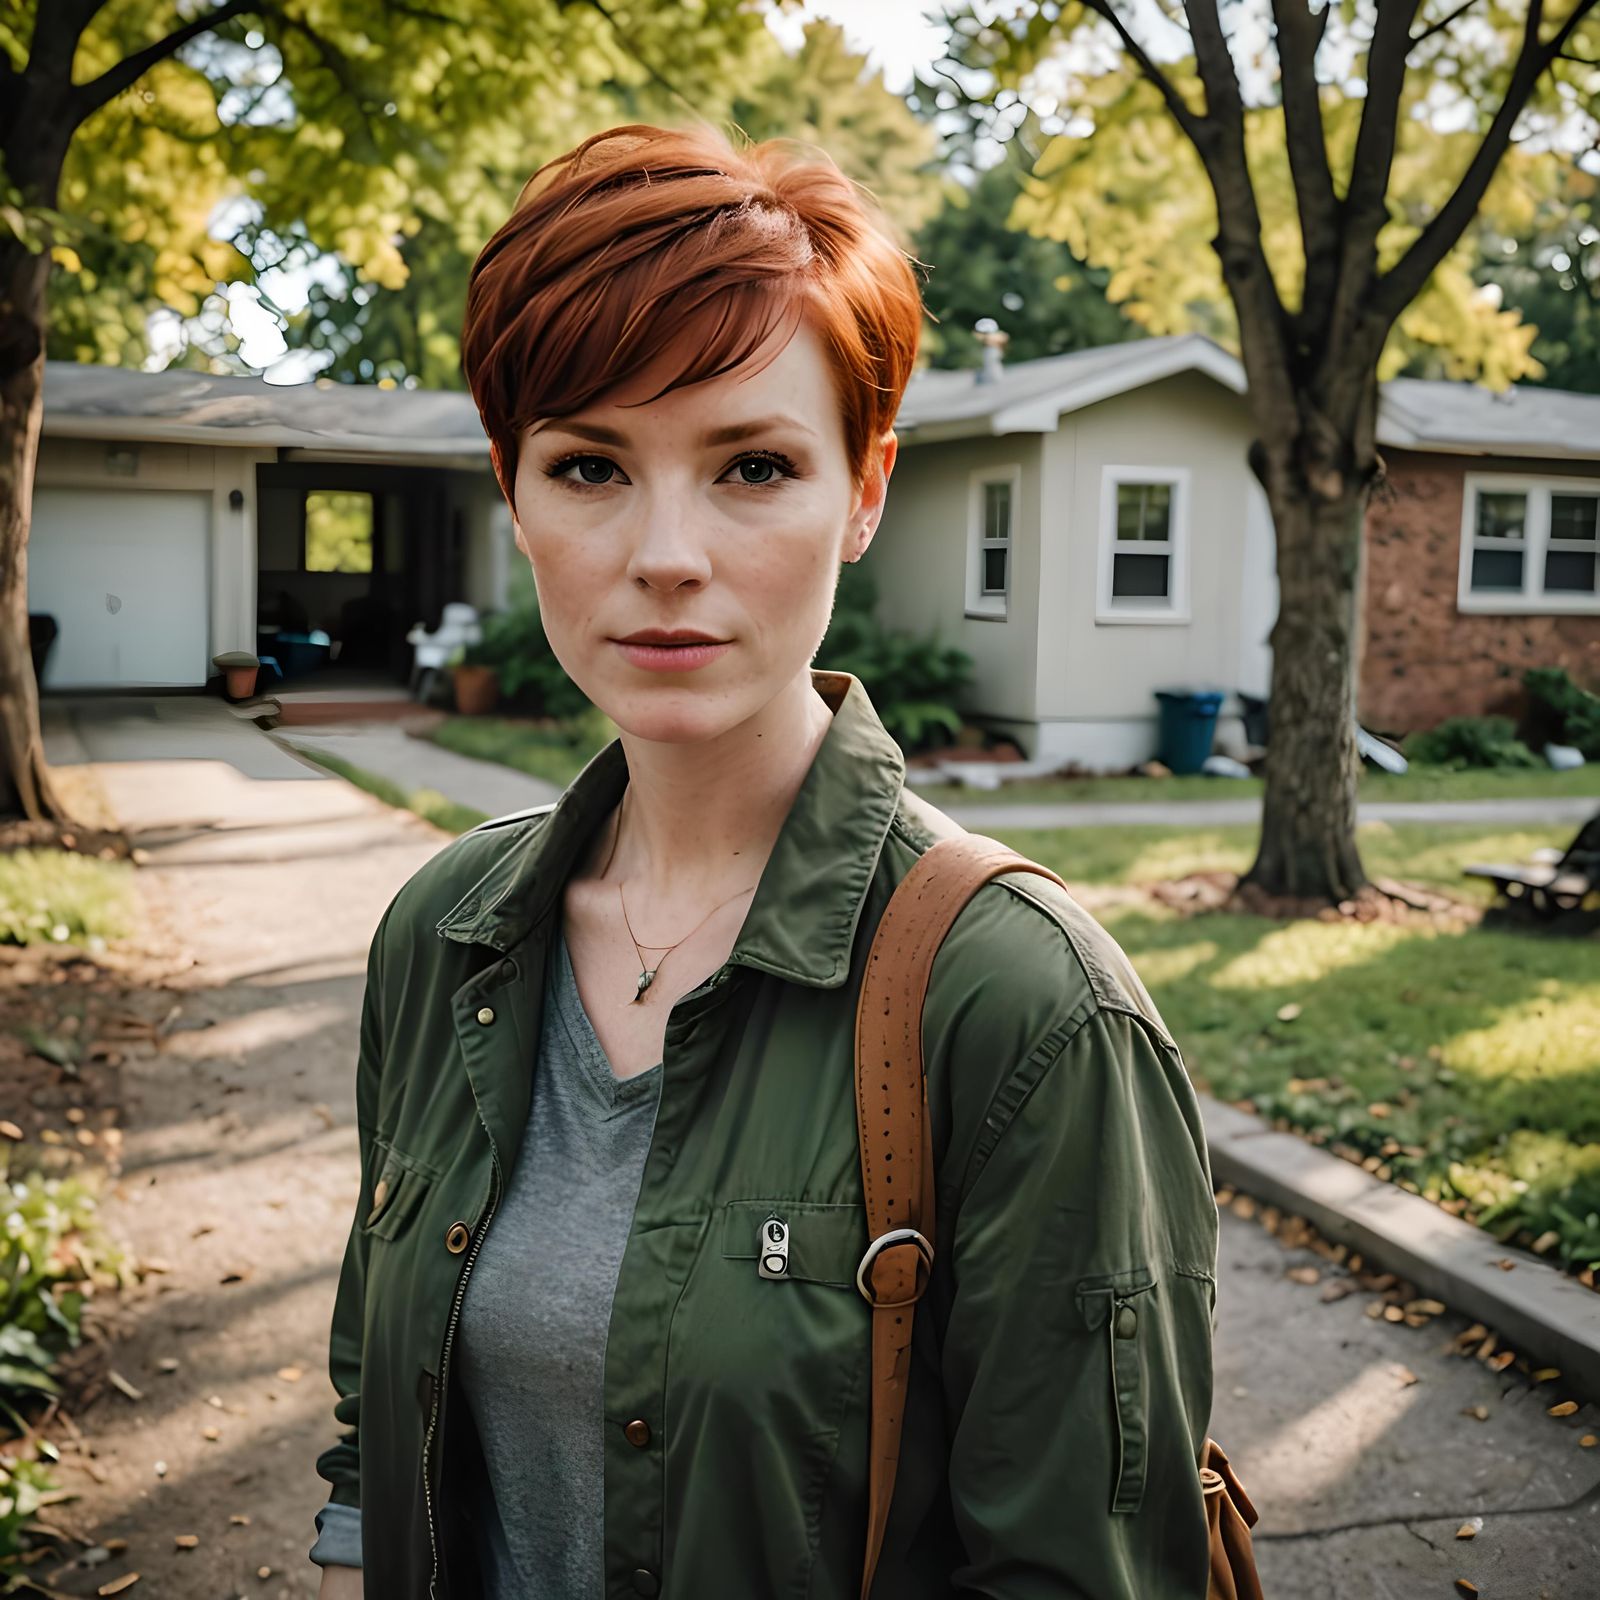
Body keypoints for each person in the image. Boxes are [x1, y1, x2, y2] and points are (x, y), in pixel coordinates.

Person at [309, 121, 1220, 1600]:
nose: (666, 552)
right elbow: (378, 1424)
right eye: (593, 465)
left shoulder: (1023, 1013)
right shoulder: (441, 937)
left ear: (863, 494)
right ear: (514, 494)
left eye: (752, 465)